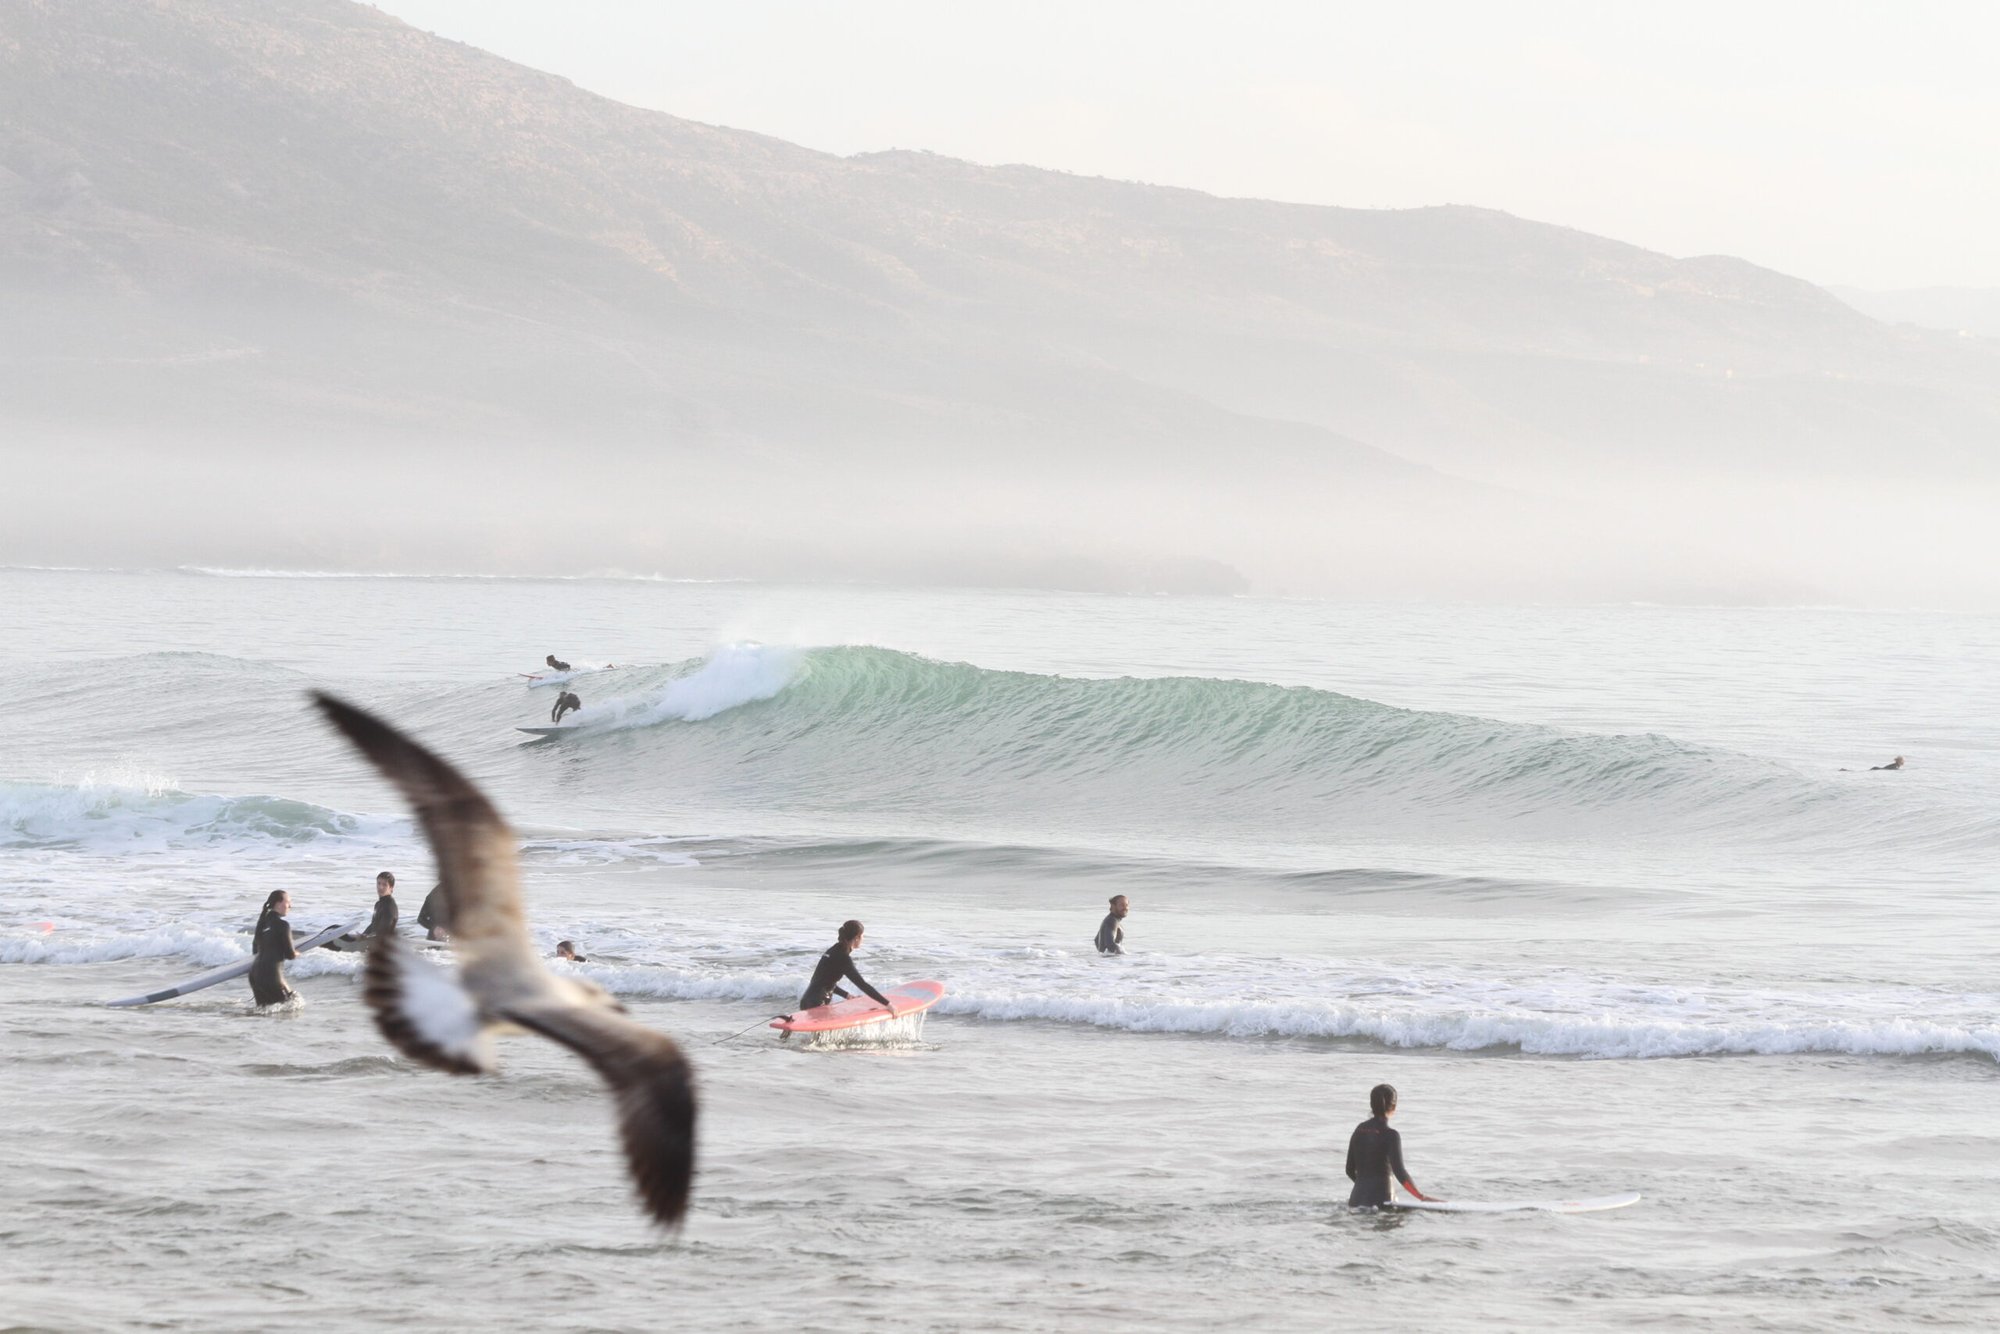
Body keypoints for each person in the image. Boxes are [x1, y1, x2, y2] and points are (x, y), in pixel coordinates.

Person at [1345, 1083, 1434, 1207]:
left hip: (1355, 1201)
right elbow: (1400, 1173)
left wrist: (1365, 1188)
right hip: (1382, 1203)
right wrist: (1421, 1197)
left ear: (1371, 1105)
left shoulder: (1359, 1130)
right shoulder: (1391, 1135)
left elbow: (1349, 1170)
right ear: (1394, 1107)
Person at [797, 919, 892, 1011]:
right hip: (817, 1005)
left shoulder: (834, 950)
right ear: (856, 938)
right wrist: (887, 1004)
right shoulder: (843, 958)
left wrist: (847, 995)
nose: (863, 938)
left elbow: (823, 982)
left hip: (807, 1001)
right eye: (863, 936)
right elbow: (862, 985)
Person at [249, 890, 299, 1007]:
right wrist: (297, 953)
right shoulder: (283, 925)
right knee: (292, 1006)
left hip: (254, 975)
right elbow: (290, 955)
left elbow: (255, 948)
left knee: (263, 1012)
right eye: (288, 902)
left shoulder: (262, 923)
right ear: (278, 903)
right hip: (272, 976)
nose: (290, 906)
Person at [361, 871, 399, 938]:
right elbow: (373, 926)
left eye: (385, 885)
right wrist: (363, 935)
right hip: (373, 940)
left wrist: (366, 937)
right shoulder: (378, 904)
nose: (380, 887)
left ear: (391, 888)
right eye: (378, 883)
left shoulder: (390, 907)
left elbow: (385, 931)